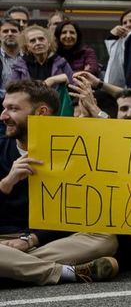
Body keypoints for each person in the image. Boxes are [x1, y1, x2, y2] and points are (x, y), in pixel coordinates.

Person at [0, 80, 120, 285]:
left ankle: (14, 269)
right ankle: (66, 273)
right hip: (4, 242)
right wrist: (5, 184)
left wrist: (31, 239)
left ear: (41, 112)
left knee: (105, 239)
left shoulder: (73, 149)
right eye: (4, 108)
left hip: (49, 242)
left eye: (13, 109)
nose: (3, 116)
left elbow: (121, 153)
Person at [18, 25, 70, 110]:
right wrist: (50, 81)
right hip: (29, 109)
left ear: (48, 43)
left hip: (58, 109)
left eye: (41, 39)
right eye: (32, 41)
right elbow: (15, 92)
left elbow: (73, 86)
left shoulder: (61, 62)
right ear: (28, 47)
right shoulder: (19, 66)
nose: (38, 43)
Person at [0, 20, 24, 90]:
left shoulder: (29, 56)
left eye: (14, 31)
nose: (10, 34)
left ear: (20, 34)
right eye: (5, 31)